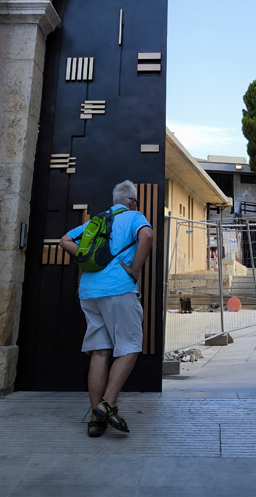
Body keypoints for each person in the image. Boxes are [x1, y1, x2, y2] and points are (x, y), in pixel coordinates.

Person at [59, 180, 153, 438]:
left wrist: (90, 261)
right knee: (131, 346)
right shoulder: (135, 216)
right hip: (118, 289)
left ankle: (95, 419)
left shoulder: (97, 221)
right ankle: (106, 404)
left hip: (89, 292)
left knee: (99, 352)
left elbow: (64, 239)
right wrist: (133, 270)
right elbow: (147, 235)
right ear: (132, 202)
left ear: (114, 201)